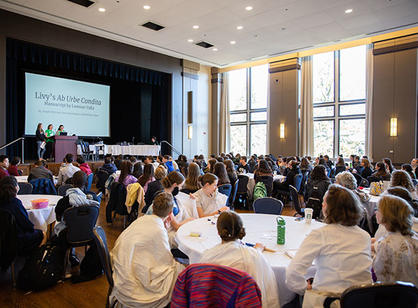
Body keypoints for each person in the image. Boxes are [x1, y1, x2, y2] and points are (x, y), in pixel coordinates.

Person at [286, 185, 372, 306]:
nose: (322, 205)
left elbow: (292, 274)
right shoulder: (365, 236)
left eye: (324, 203)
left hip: (328, 301)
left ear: (330, 209)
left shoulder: (321, 234)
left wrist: (304, 288)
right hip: (361, 301)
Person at [110, 192, 184, 307]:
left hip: (122, 265)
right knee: (179, 272)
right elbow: (165, 260)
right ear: (170, 214)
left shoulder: (141, 220)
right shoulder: (158, 229)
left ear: (153, 207)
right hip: (134, 279)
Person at [199, 211, 280, 308]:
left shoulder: (207, 256)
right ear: (241, 230)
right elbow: (267, 289)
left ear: (218, 232)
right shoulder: (252, 256)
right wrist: (257, 250)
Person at [373, 195, 417, 285]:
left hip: (393, 293)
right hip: (412, 293)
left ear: (387, 215)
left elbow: (379, 275)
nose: (375, 212)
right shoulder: (414, 237)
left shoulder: (386, 244)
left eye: (378, 210)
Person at [0, 176, 45, 255]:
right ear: (15, 187)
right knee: (42, 233)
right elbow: (27, 225)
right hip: (15, 240)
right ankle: (34, 261)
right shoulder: (15, 203)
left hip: (3, 239)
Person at [54, 171, 100, 235]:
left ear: (72, 182)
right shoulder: (95, 199)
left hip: (68, 235)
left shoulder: (63, 201)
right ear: (86, 183)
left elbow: (58, 218)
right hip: (89, 233)